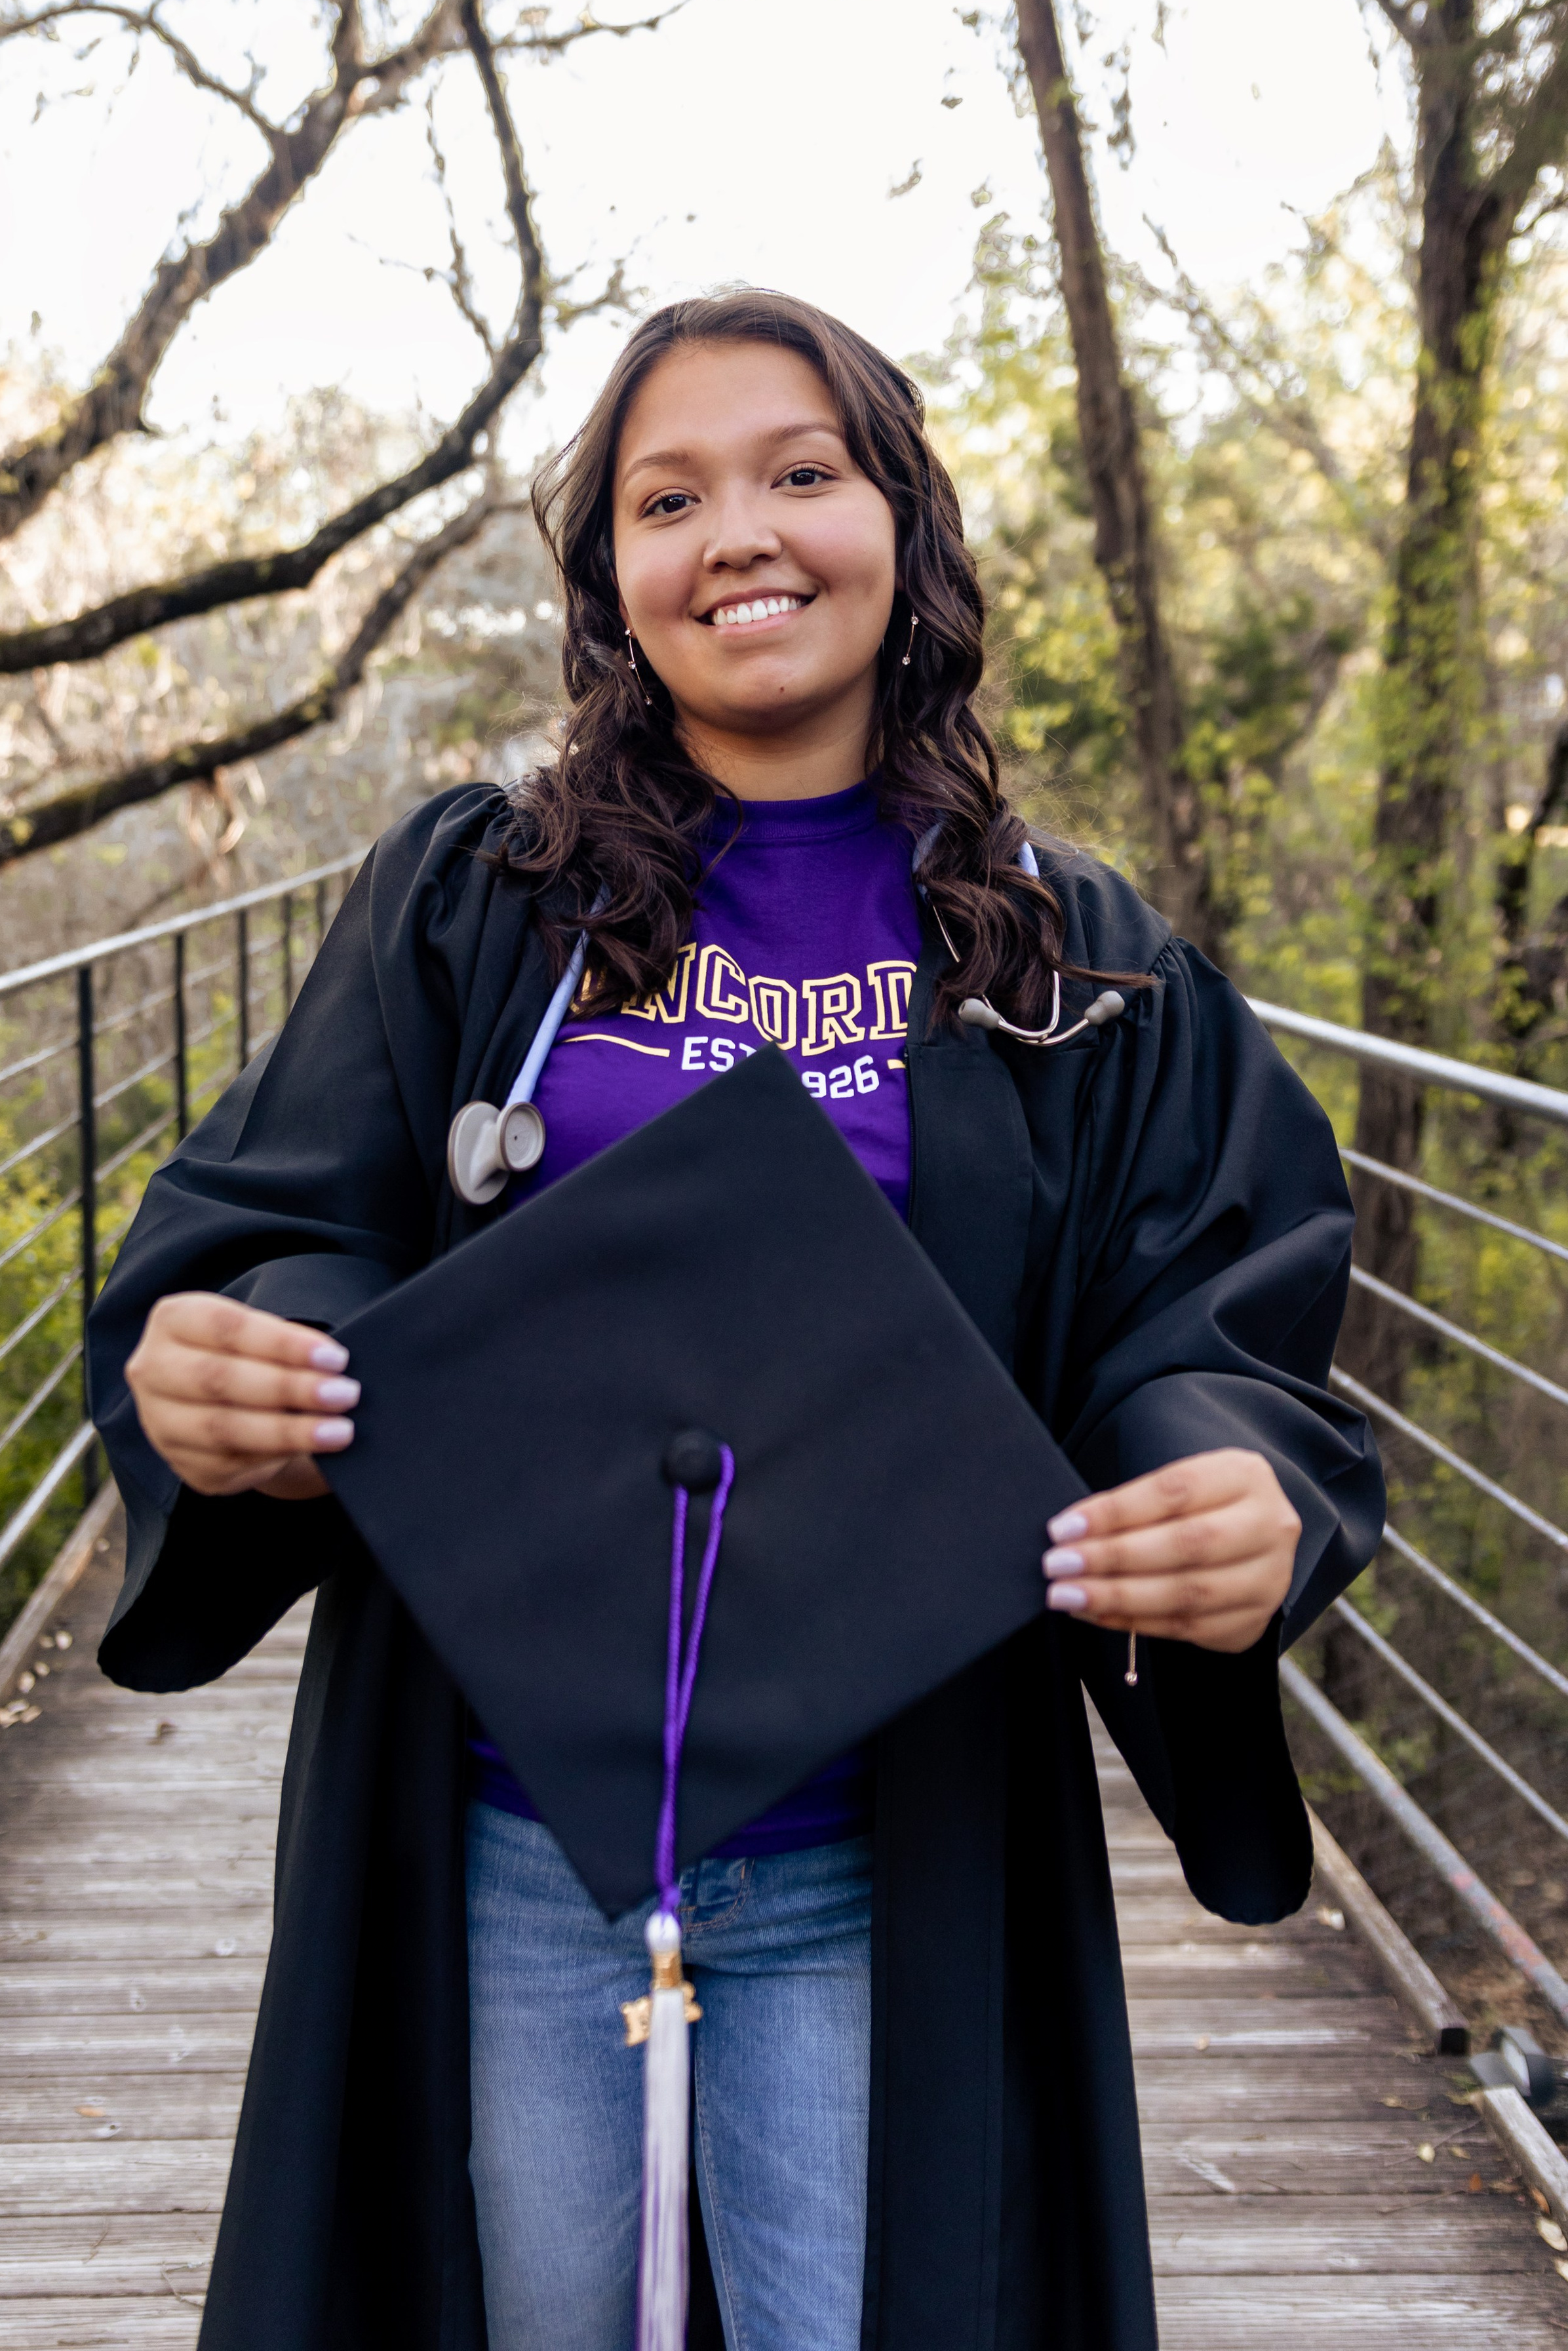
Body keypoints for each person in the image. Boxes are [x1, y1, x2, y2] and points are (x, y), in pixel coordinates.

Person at [90, 290, 1384, 2351]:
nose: (741, 534)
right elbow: (291, 1220)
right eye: (668, 497)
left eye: (802, 472)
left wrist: (1230, 1488)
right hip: (512, 1821)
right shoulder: (483, 905)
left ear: (904, 523)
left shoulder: (1070, 964)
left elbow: (1204, 1312)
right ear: (612, 572)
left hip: (895, 1833)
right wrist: (245, 1352)